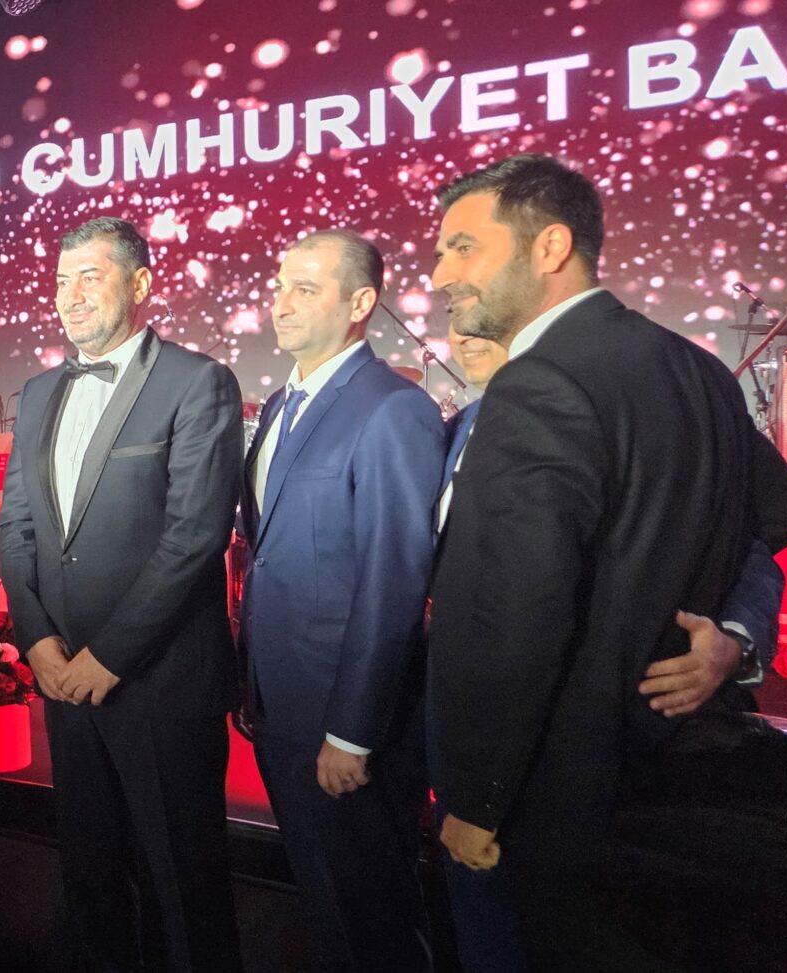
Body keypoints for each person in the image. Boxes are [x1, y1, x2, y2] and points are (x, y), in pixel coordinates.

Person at [426, 154, 787, 968]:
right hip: (677, 775)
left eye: (463, 247)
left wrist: (479, 798)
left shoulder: (536, 381)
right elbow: (778, 512)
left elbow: (518, 609)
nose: (441, 273)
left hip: (561, 790)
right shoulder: (697, 367)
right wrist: (732, 632)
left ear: (550, 246)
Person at [0, 217, 245, 973]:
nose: (69, 295)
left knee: (184, 888)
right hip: (64, 681)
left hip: (160, 684)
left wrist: (107, 657)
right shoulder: (39, 391)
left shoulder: (197, 381)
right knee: (91, 878)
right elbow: (16, 525)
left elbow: (194, 536)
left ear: (140, 284)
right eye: (61, 279)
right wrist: (38, 642)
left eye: (90, 276)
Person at [237, 230, 442, 971]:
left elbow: (395, 579)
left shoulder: (392, 408)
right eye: (278, 286)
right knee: (324, 904)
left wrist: (353, 732)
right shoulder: (282, 404)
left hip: (345, 723)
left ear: (360, 303)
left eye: (305, 288)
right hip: (280, 704)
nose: (281, 303)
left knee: (371, 916)